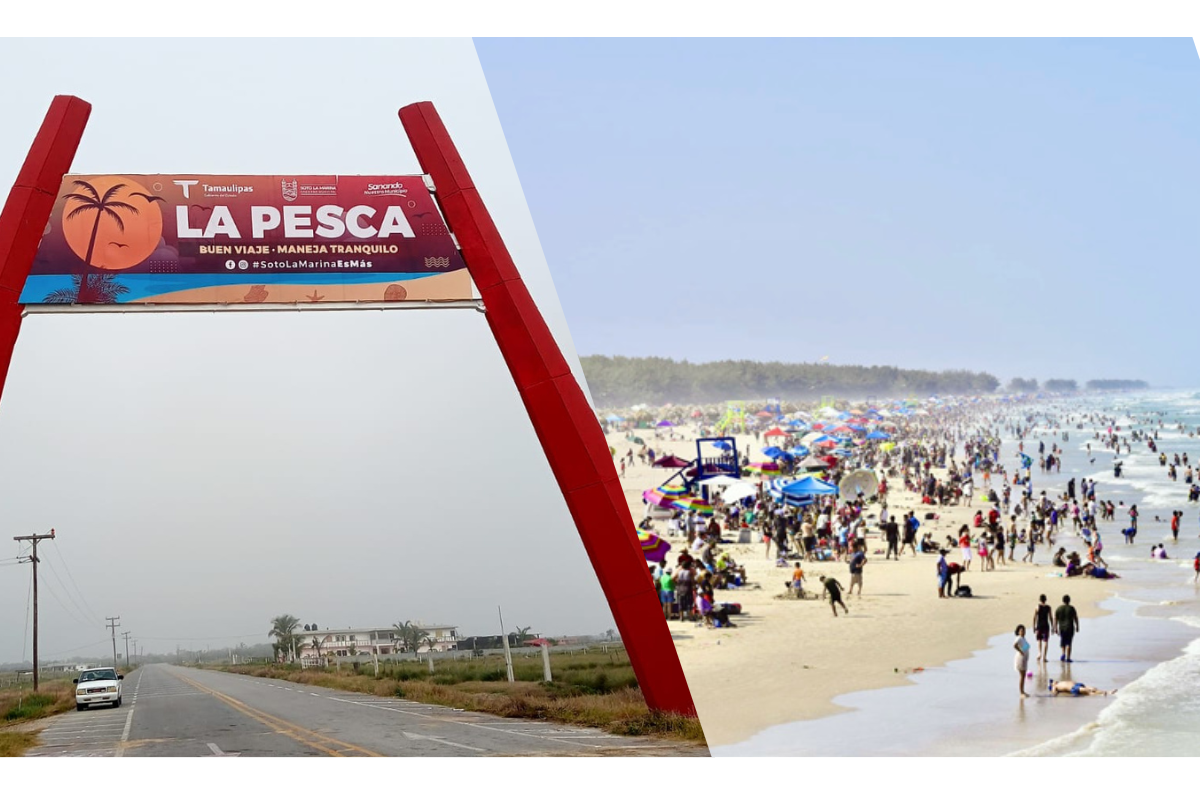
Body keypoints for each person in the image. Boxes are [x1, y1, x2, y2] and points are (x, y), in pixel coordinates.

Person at [1054, 595, 1080, 662]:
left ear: (1063, 600)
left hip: (1062, 628)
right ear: (1069, 600)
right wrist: (1077, 626)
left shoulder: (1059, 608)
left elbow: (1055, 619)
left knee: (1063, 641)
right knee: (1069, 643)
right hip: (1070, 627)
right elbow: (1075, 618)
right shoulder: (1071, 608)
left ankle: (1063, 653)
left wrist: (1055, 628)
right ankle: (1068, 658)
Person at [1033, 594, 1053, 662]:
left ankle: (1039, 653)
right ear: (1046, 599)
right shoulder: (1048, 607)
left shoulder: (1037, 607)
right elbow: (1050, 617)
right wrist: (1053, 626)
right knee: (1046, 641)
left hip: (1039, 625)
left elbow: (1034, 617)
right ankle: (1044, 657)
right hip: (1046, 626)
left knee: (1039, 640)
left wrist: (1034, 626)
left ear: (1040, 600)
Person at [1014, 624, 1032, 698]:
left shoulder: (1023, 638)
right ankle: (1021, 692)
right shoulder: (1019, 638)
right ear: (1018, 632)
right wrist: (1020, 651)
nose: (1023, 632)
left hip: (1024, 659)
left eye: (1024, 630)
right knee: (1022, 676)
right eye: (1021, 630)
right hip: (1020, 659)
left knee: (1023, 676)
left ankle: (1023, 691)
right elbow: (1014, 645)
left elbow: (1026, 648)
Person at [1048, 679, 1112, 697]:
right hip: (1073, 688)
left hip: (1077, 684)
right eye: (1052, 682)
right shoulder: (1055, 686)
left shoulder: (1059, 682)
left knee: (1092, 688)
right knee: (1089, 691)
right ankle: (1104, 693)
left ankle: (1106, 692)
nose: (1054, 681)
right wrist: (1054, 692)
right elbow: (1054, 694)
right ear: (1052, 685)